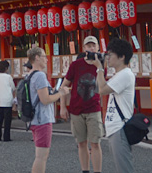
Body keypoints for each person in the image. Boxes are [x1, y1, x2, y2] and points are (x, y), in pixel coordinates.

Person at [59, 35, 103, 173]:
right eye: (88, 46)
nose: (91, 48)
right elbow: (64, 86)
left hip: (94, 108)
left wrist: (99, 67)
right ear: (84, 48)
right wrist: (62, 106)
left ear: (97, 47)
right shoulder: (75, 65)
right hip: (76, 109)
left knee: (95, 143)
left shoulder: (101, 64)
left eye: (93, 45)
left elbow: (103, 86)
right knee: (81, 143)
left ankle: (97, 171)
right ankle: (85, 170)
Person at [94, 38, 137, 173]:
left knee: (124, 168)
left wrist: (99, 68)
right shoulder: (119, 74)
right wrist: (99, 69)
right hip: (115, 128)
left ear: (122, 56)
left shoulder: (125, 74)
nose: (107, 57)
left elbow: (102, 90)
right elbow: (98, 86)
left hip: (120, 127)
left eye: (110, 54)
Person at [27, 45, 70, 173]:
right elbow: (45, 99)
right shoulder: (40, 76)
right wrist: (61, 94)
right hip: (42, 119)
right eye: (44, 57)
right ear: (37, 58)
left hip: (33, 119)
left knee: (40, 155)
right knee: (41, 157)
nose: (46, 60)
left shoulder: (29, 75)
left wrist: (53, 92)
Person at [0, 60, 15, 142]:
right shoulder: (8, 77)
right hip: (7, 100)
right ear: (6, 68)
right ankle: (6, 137)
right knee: (7, 120)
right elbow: (12, 87)